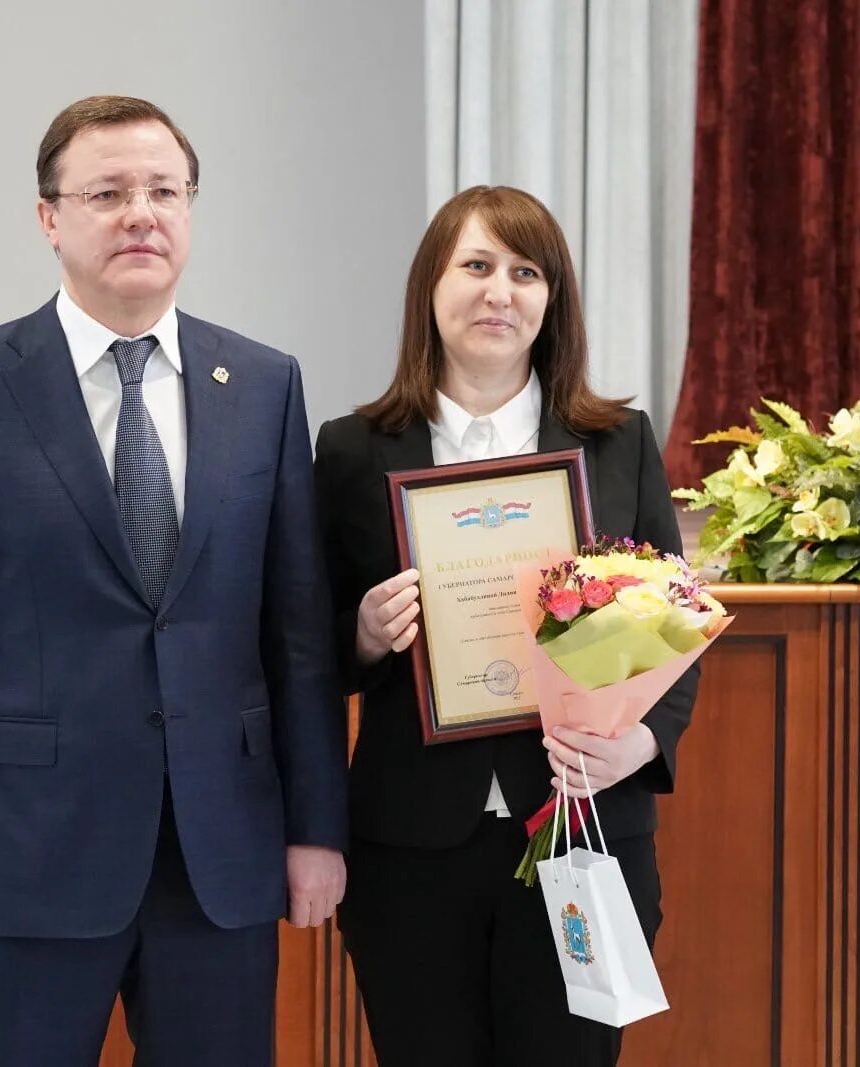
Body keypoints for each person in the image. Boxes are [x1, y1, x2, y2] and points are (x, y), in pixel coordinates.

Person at [0, 94, 348, 1067]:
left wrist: (316, 828)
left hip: (219, 855)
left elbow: (297, 636)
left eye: (164, 190)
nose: (141, 213)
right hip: (30, 858)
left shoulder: (261, 384)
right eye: (108, 192)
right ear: (49, 217)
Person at [313, 185, 698, 1065]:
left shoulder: (619, 442)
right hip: (410, 845)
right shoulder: (353, 449)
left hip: (583, 831)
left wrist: (637, 746)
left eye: (526, 272)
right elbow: (309, 647)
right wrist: (367, 633)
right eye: (477, 266)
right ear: (430, 290)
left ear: (551, 298)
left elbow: (674, 634)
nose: (501, 292)